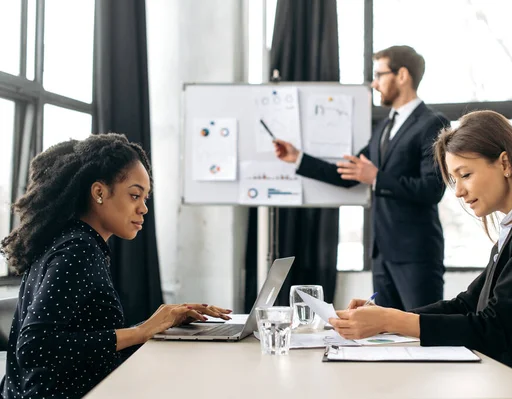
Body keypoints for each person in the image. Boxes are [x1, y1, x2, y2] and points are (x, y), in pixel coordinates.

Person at [329, 110, 512, 399]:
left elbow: (495, 328)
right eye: (454, 180)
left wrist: (389, 322)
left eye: (465, 175)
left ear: (505, 163)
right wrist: (386, 317)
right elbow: (467, 303)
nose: (458, 192)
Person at [0, 134, 232, 398]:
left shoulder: (73, 242)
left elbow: (87, 339)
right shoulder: (78, 250)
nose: (143, 208)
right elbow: (34, 347)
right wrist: (141, 331)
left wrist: (163, 321)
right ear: (99, 192)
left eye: (145, 198)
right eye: (135, 195)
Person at [274, 45, 449, 310]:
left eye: (379, 75)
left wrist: (378, 177)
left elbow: (432, 189)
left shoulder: (431, 123)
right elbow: (348, 174)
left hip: (415, 255)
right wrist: (298, 157)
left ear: (402, 75)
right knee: (386, 335)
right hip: (381, 255)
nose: (374, 84)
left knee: (421, 331)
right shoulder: (384, 128)